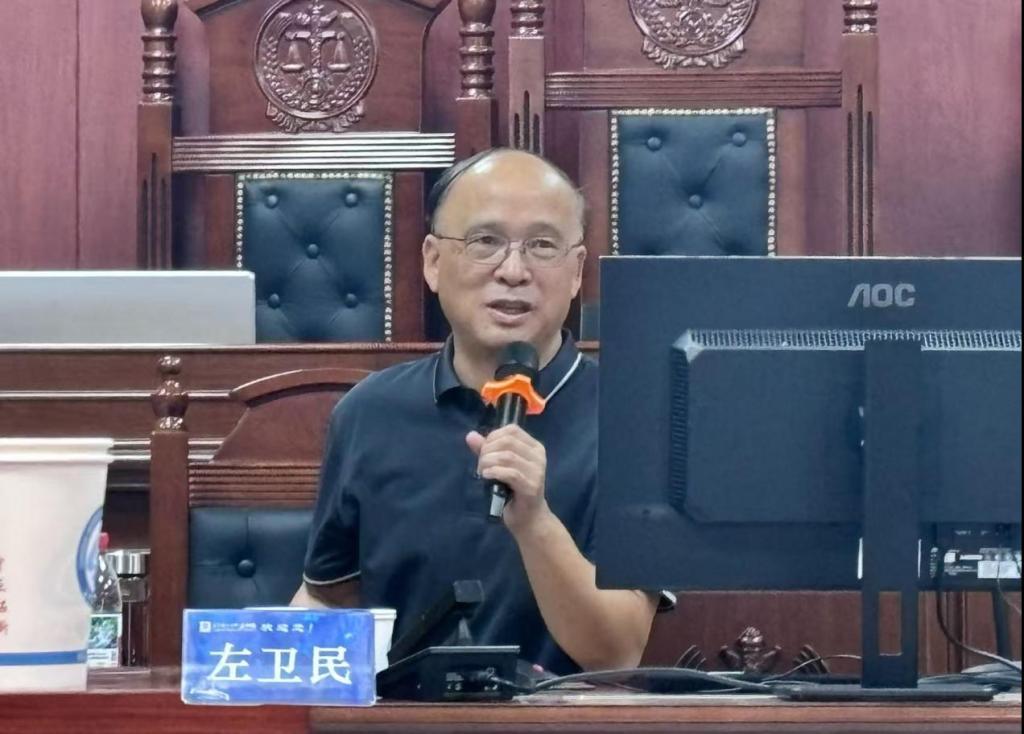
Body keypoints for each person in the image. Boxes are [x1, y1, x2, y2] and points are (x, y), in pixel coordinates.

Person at [292, 148, 663, 674]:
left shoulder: (634, 418)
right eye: (485, 241)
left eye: (542, 245)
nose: (513, 271)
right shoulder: (369, 411)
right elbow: (328, 599)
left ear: (577, 271)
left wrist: (534, 522)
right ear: (433, 261)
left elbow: (618, 650)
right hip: (403, 715)